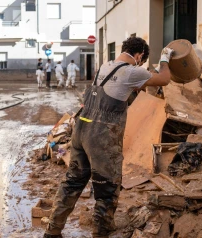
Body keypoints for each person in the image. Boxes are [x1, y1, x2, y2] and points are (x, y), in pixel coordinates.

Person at [44, 36, 174, 238]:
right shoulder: (132, 71)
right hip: (101, 137)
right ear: (139, 56)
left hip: (81, 129)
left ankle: (53, 230)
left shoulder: (106, 66)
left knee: (72, 182)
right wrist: (164, 59)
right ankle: (101, 231)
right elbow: (164, 79)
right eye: (141, 60)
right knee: (107, 187)